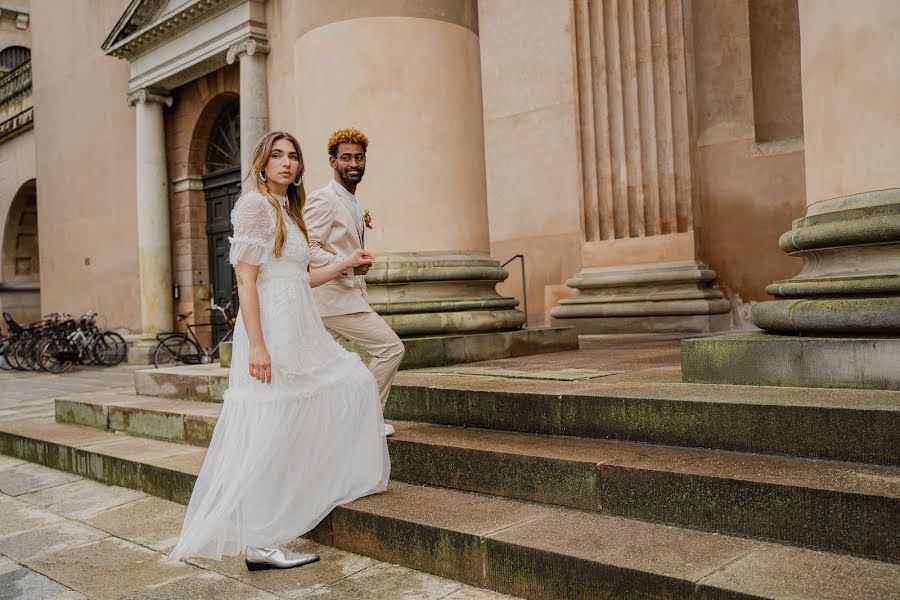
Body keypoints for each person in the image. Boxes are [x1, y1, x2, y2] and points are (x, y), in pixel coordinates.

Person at [169, 131, 390, 571]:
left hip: (301, 325)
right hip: (273, 330)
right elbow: (247, 280)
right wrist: (257, 346)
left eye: (292, 156)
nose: (286, 163)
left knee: (354, 381)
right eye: (277, 156)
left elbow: (299, 278)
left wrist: (344, 264)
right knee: (272, 429)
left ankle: (299, 504)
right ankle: (260, 542)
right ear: (262, 163)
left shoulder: (288, 210)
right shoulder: (254, 205)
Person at [304, 128, 405, 436]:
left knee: (325, 372)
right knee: (390, 349)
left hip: (337, 300)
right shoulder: (324, 199)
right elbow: (307, 250)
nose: (353, 163)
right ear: (332, 161)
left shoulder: (350, 201)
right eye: (346, 157)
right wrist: (347, 267)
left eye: (359, 157)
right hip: (336, 298)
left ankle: (319, 428)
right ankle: (365, 420)